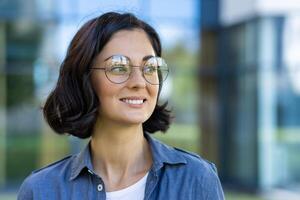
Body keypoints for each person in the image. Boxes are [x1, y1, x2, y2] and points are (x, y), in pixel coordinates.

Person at [17, 12, 225, 200]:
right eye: (118, 67)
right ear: (85, 80)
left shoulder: (197, 180)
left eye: (149, 67)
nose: (139, 82)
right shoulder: (41, 191)